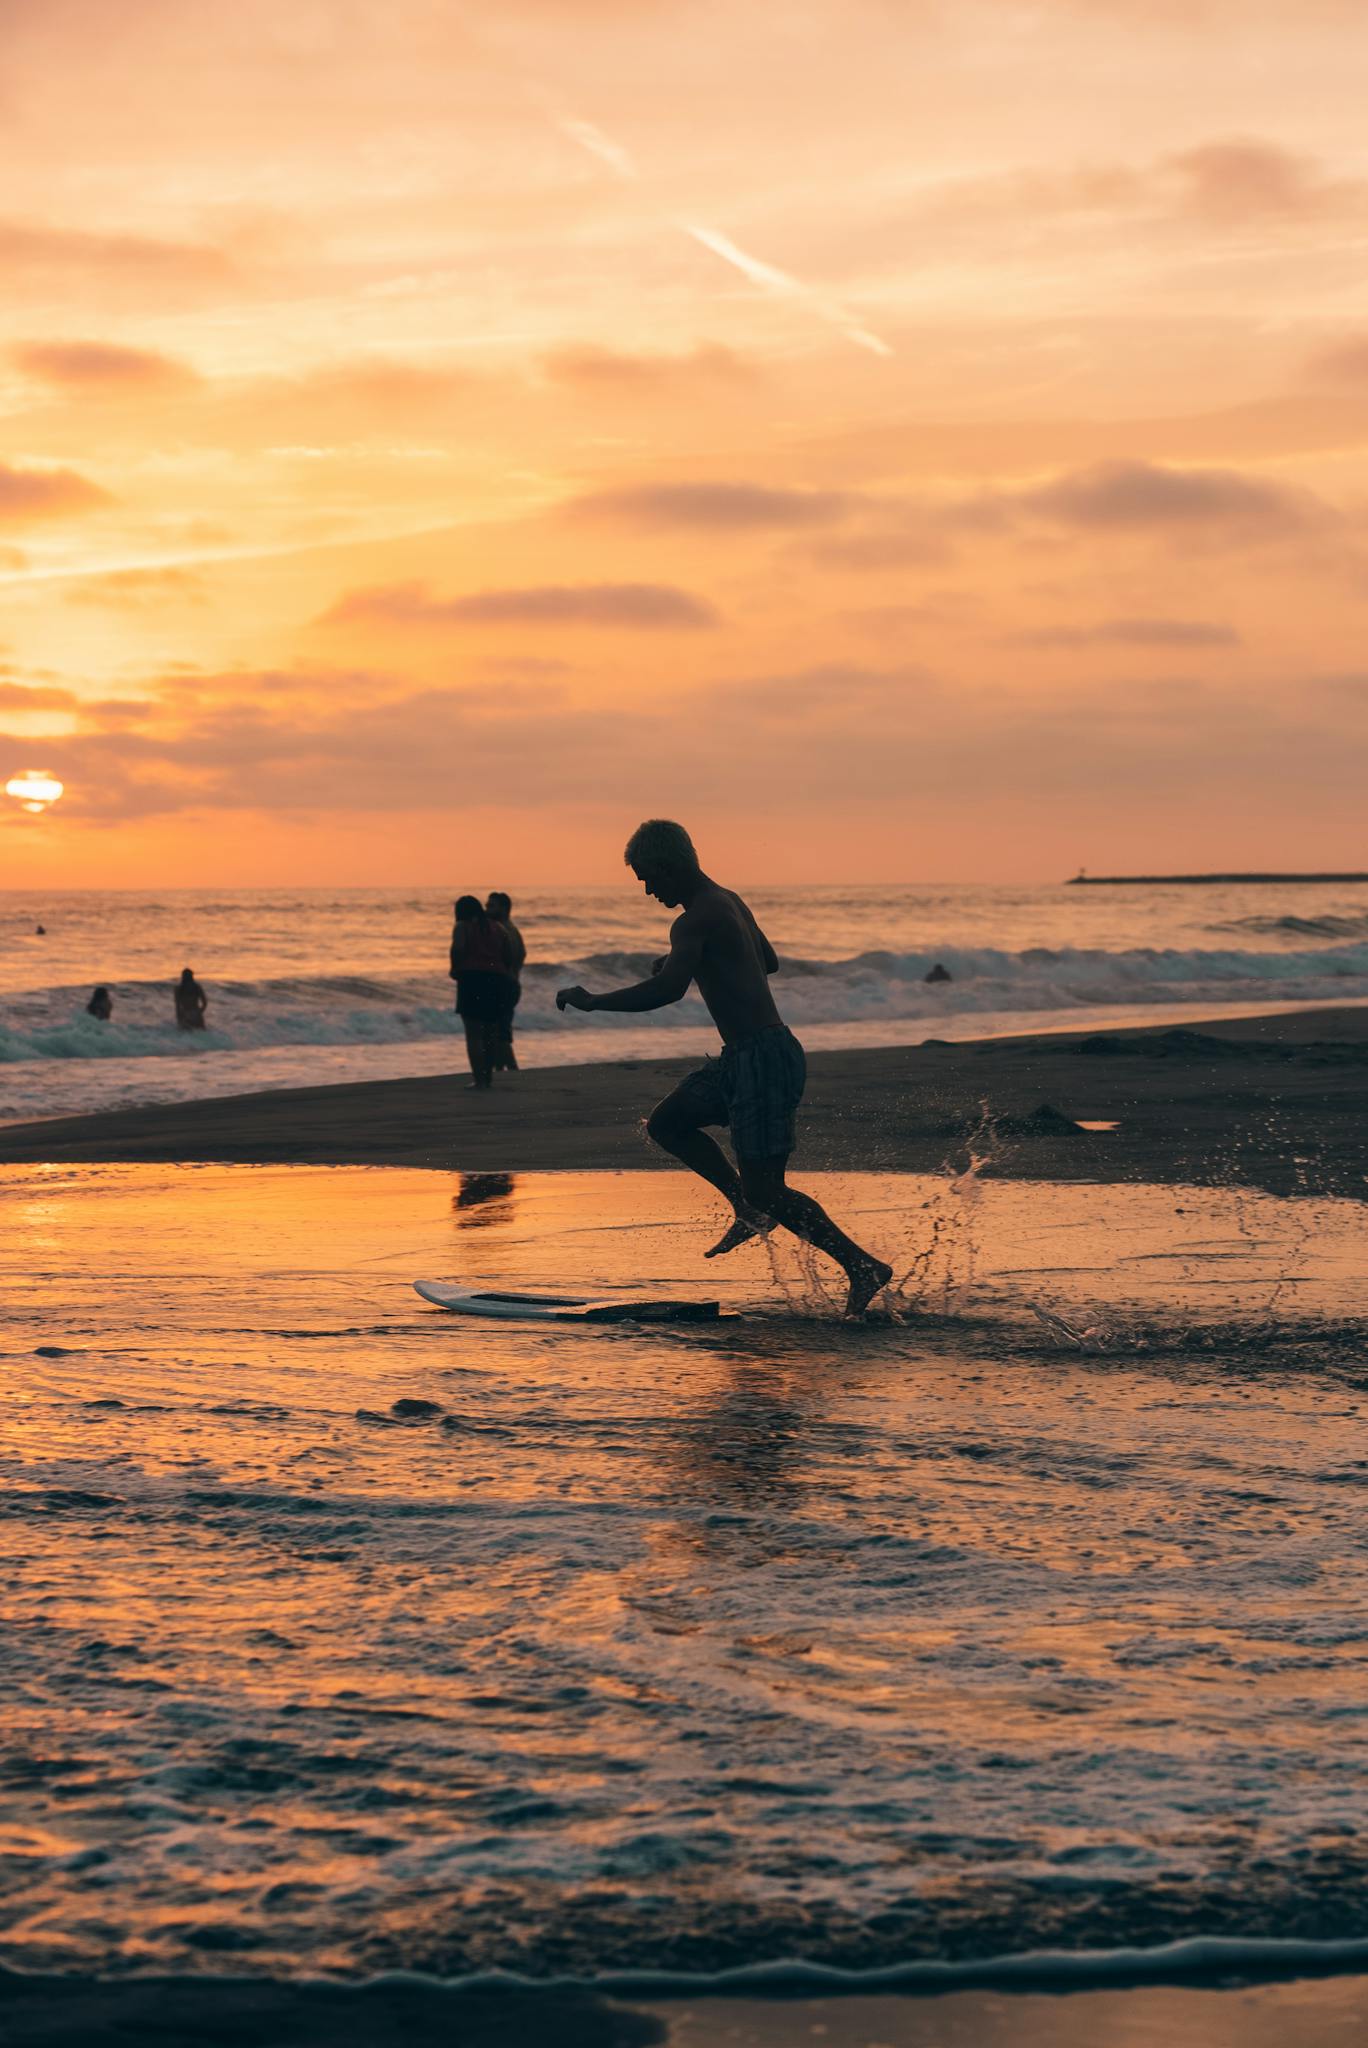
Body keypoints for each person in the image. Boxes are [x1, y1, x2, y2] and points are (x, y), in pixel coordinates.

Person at [556, 820, 893, 1316]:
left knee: (768, 1187)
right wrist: (689, 959)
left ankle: (862, 1267)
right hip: (745, 1058)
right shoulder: (727, 900)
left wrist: (594, 1001)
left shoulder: (693, 919)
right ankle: (746, 1206)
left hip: (763, 1057)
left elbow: (668, 992)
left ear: (670, 867)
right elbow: (768, 960)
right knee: (668, 1123)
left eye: (649, 878)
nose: (649, 890)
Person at [450, 894, 512, 1090]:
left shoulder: (462, 927)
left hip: (472, 979)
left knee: (474, 1033)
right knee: (490, 1032)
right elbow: (508, 954)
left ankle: (479, 1080)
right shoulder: (498, 928)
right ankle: (489, 1078)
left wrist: (454, 968)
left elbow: (458, 949)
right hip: (496, 980)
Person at [485, 890, 526, 1073]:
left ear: (503, 908)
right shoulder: (511, 929)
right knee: (499, 1029)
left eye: (491, 905)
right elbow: (521, 956)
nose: (486, 909)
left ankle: (511, 1069)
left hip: (505, 985)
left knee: (499, 1032)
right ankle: (501, 1069)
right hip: (511, 984)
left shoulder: (503, 931)